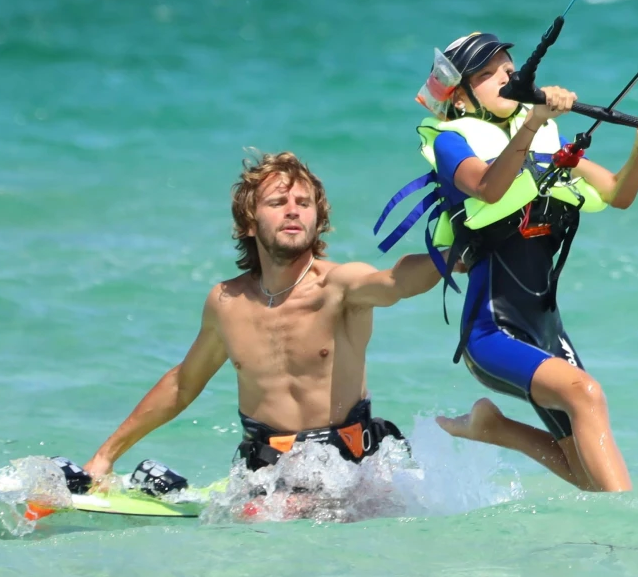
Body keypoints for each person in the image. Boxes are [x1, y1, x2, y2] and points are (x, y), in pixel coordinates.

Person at [83, 149, 441, 488]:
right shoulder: (227, 302)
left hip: (349, 470)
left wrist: (449, 255)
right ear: (250, 223)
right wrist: (104, 457)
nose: (293, 211)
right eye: (277, 203)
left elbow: (396, 281)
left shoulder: (339, 287)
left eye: (303, 203)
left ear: (318, 219)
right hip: (265, 475)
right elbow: (182, 385)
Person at [417, 30, 638, 493]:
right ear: (460, 93)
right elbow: (489, 189)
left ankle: (496, 429)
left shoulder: (548, 146)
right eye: (487, 74)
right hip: (492, 331)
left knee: (587, 475)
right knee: (586, 394)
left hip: (547, 328)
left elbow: (617, 193)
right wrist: (532, 123)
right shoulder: (453, 141)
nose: (505, 78)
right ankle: (633, 525)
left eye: (510, 71)